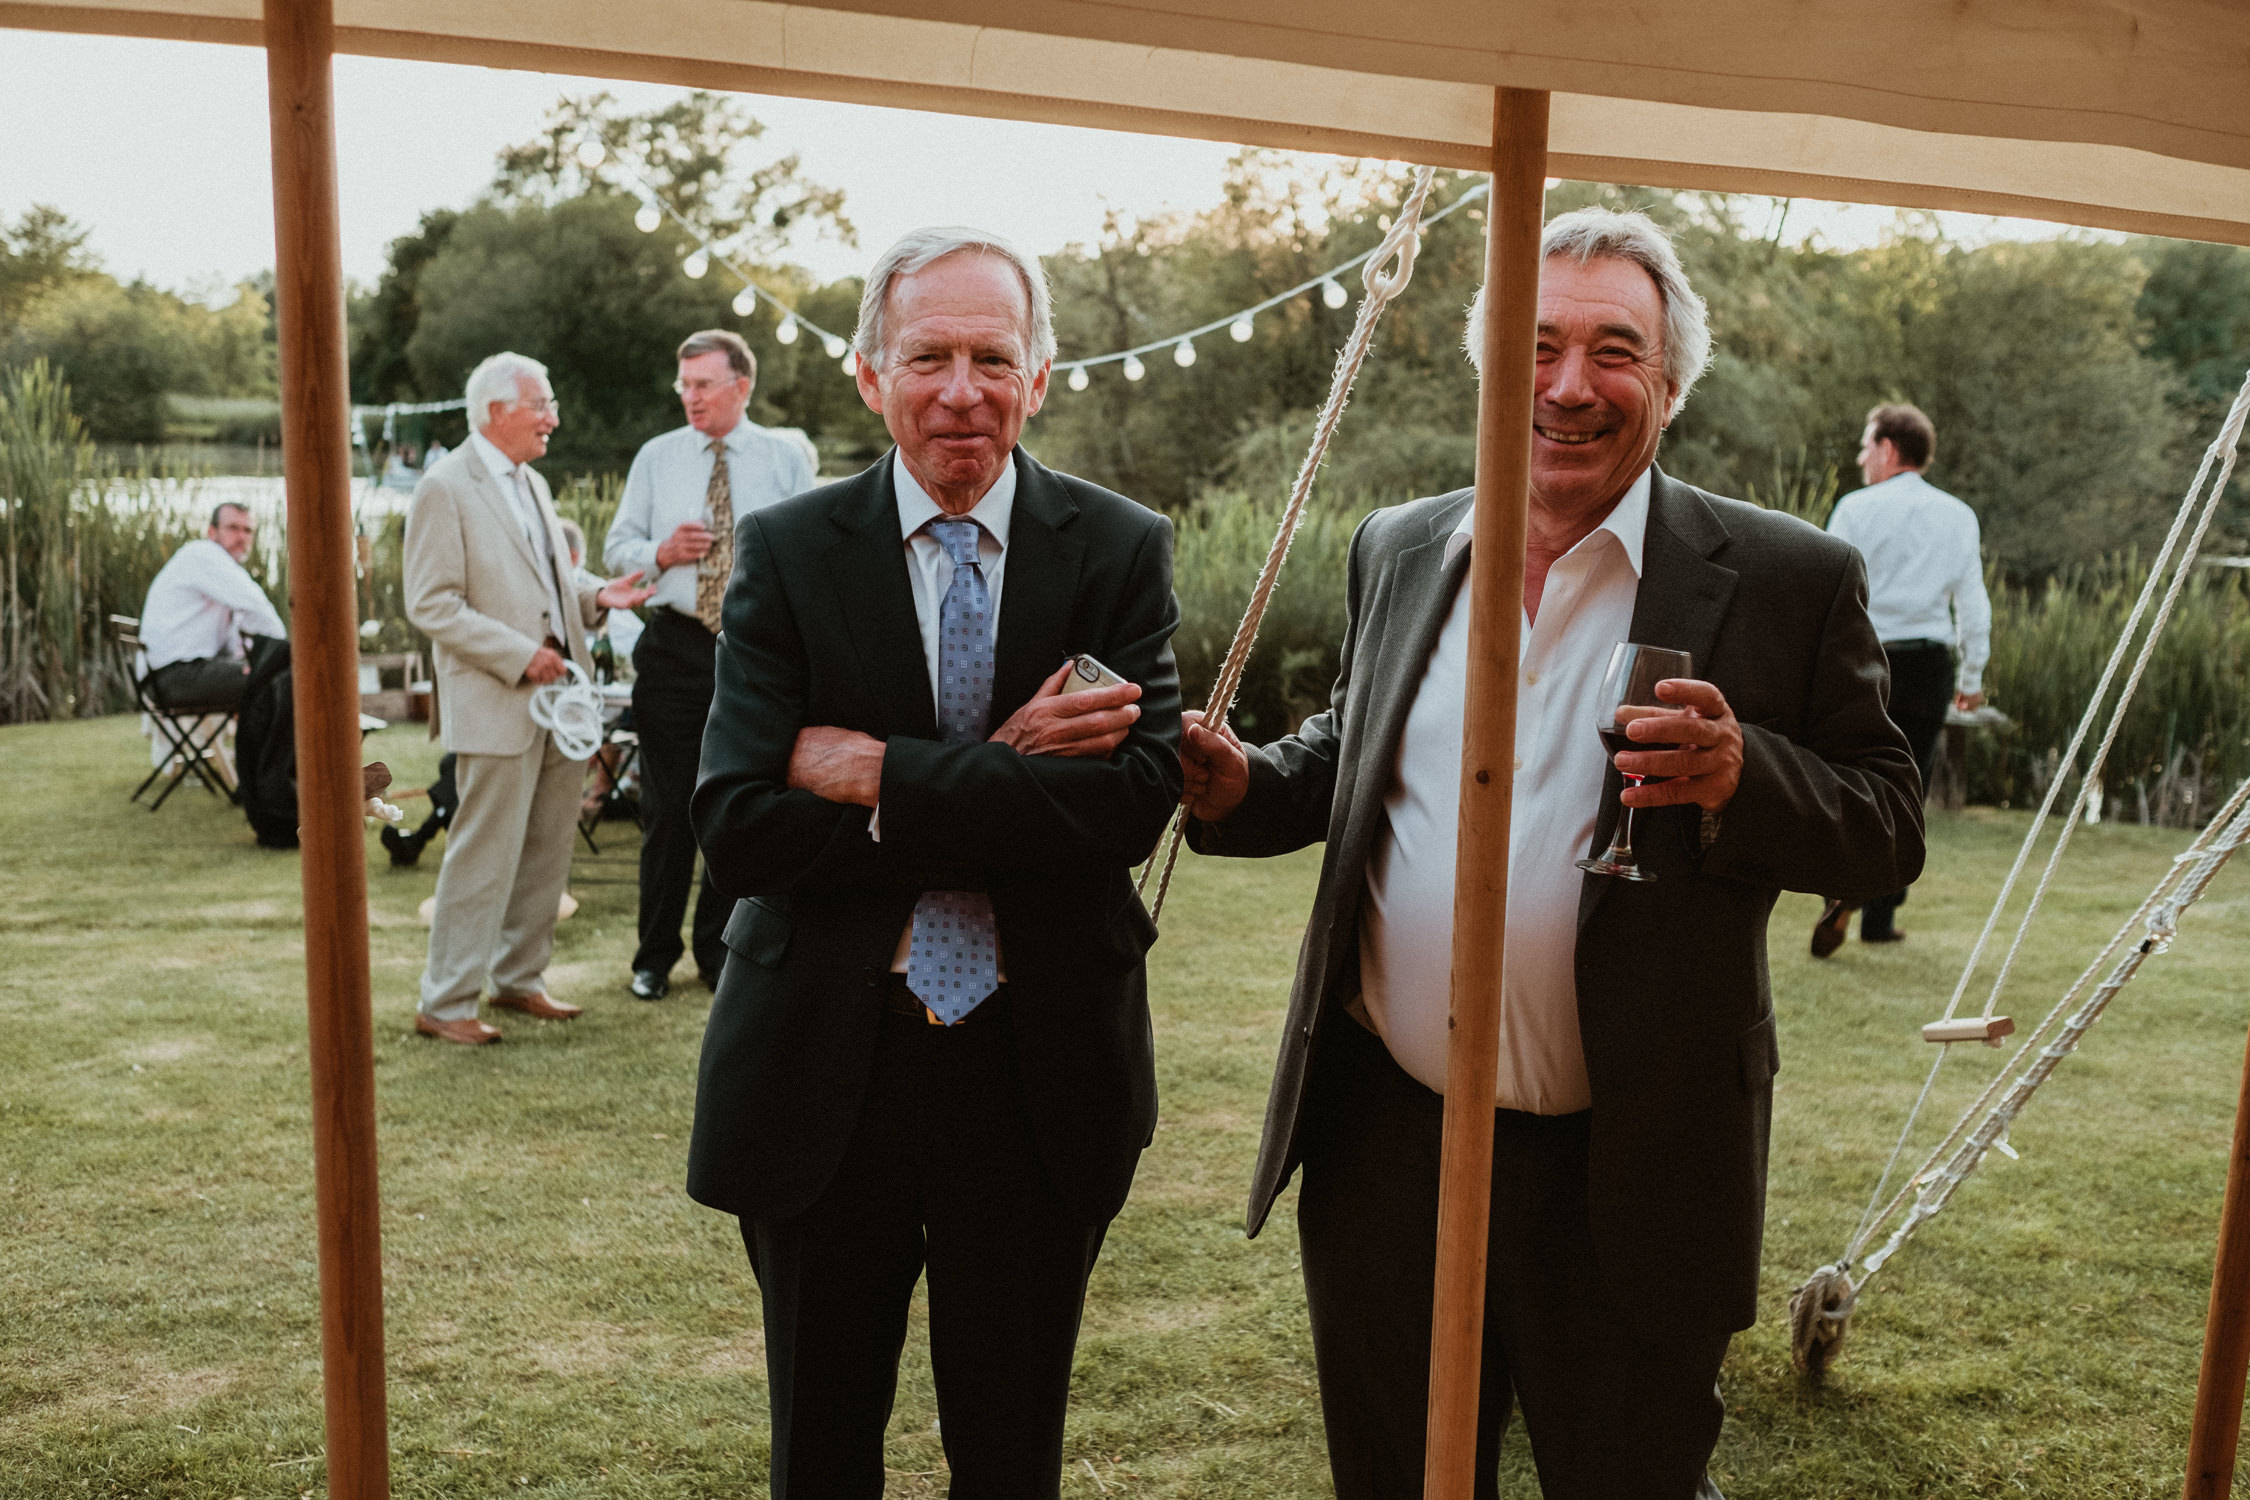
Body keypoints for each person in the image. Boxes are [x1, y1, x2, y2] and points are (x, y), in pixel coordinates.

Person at [1177, 208, 1923, 1500]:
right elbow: (1358, 742)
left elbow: (1888, 823)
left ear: (1671, 384)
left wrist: (1745, 773)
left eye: (1613, 351)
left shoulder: (1786, 577)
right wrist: (1248, 783)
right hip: (1388, 1149)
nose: (1569, 385)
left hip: (1634, 1163)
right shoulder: (1401, 543)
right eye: (1535, 346)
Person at [685, 228, 1181, 1496]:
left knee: (1010, 1459)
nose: (962, 390)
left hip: (1037, 1066)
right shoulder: (791, 550)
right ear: (869, 374)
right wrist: (1013, 773)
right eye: (928, 357)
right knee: (822, 1456)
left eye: (992, 358)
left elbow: (1130, 807)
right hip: (823, 1069)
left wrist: (881, 775)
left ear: (1041, 375)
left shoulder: (1118, 548)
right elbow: (738, 823)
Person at [403, 351, 652, 1046]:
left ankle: (518, 980)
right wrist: (520, 656)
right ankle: (445, 1002)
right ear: (496, 412)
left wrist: (599, 595)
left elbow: (549, 584)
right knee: (481, 855)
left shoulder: (531, 482)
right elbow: (431, 603)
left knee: (547, 849)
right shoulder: (444, 486)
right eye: (541, 405)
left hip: (560, 705)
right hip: (496, 701)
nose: (554, 418)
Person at [603, 330, 815, 1000]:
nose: (690, 397)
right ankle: (652, 957)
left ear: (741, 387)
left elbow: (813, 554)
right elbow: (616, 548)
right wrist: (660, 554)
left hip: (754, 653)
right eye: (684, 385)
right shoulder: (657, 456)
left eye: (703, 384)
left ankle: (718, 952)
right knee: (667, 810)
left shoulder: (784, 459)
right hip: (673, 648)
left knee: (738, 806)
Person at [1813, 402, 1992, 953]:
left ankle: (1840, 890)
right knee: (1906, 789)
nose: (1861, 458)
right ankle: (1879, 919)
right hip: (1928, 664)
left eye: (1866, 446)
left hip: (1865, 659)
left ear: (1889, 449)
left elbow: (1826, 592)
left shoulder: (1855, 509)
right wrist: (1972, 676)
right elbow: (1973, 604)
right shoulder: (1958, 515)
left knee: (1849, 775)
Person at [140, 501, 287, 709]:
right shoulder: (205, 555)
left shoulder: (214, 566)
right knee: (285, 680)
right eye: (232, 528)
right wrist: (285, 654)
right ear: (212, 532)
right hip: (174, 676)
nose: (241, 537)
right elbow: (257, 607)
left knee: (270, 676)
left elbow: (241, 632)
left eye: (248, 530)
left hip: (171, 676)